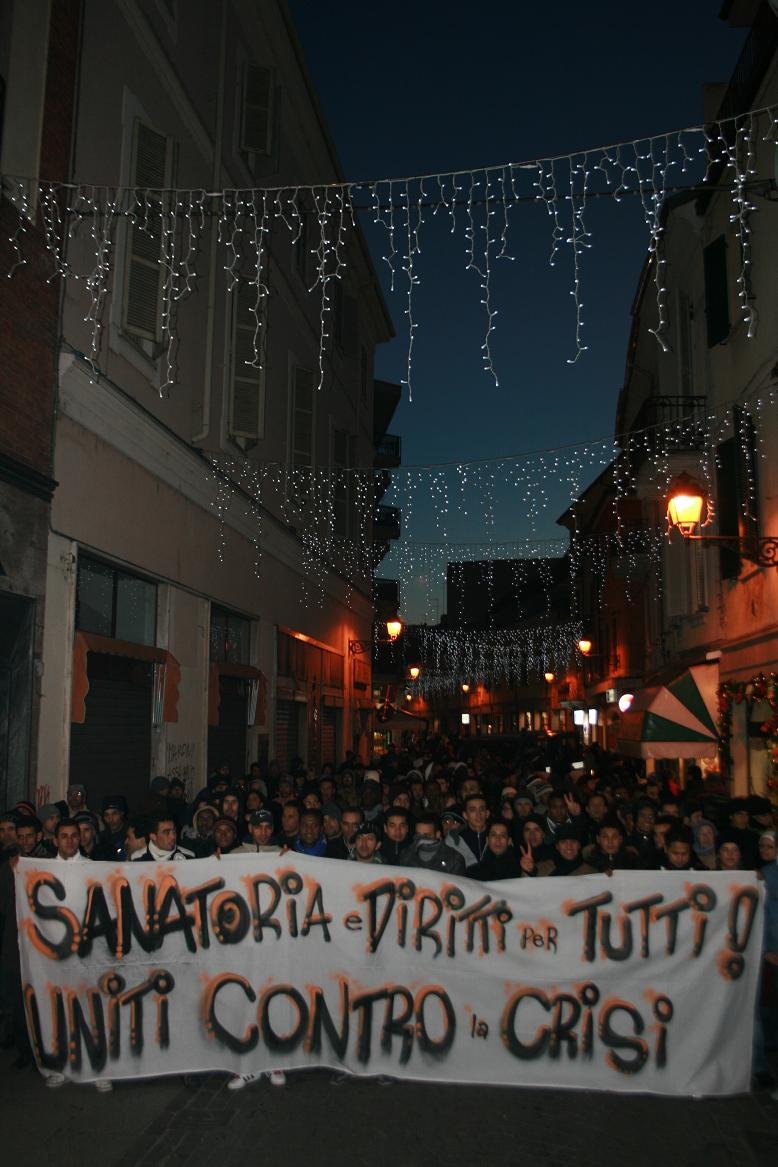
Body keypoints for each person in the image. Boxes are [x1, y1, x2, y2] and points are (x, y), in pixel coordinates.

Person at [400, 813, 466, 874]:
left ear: (437, 834)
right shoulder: (406, 855)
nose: (421, 839)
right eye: (418, 835)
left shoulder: (454, 859)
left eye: (426, 835)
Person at [447, 794, 490, 868]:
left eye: (482, 809)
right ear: (465, 815)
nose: (478, 814)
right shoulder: (453, 840)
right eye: (473, 810)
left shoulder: (499, 835)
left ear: (487, 813)